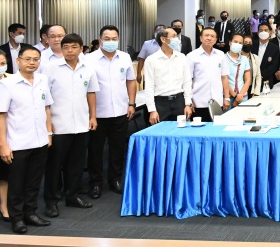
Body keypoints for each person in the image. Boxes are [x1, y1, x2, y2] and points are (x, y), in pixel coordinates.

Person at [41, 34, 97, 218]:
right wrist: (48, 125)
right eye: (66, 47)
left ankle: (72, 195)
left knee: (77, 164)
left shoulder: (88, 68)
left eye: (74, 47)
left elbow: (91, 93)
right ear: (61, 49)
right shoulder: (50, 68)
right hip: (58, 125)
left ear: (81, 48)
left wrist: (93, 116)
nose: (70, 50)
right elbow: (44, 99)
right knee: (54, 166)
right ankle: (51, 201)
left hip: (81, 124)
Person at [0, 46, 54, 234]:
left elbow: (47, 108)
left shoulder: (42, 80)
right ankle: (17, 218)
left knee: (34, 181)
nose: (32, 63)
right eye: (28, 59)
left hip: (39, 140)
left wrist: (49, 134)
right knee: (17, 183)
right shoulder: (8, 84)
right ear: (18, 61)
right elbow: (2, 116)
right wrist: (3, 145)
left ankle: (30, 213)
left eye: (36, 59)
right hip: (17, 143)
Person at [84, 25, 137, 200]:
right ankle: (96, 183)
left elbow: (131, 82)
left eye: (114, 39)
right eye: (107, 39)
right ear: (100, 41)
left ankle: (115, 180)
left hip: (121, 111)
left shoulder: (125, 57)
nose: (111, 42)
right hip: (97, 114)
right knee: (95, 150)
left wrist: (131, 103)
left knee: (117, 149)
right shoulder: (89, 59)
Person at [141, 28, 193, 124]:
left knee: (180, 132)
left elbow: (187, 82)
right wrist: (152, 110)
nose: (177, 39)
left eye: (177, 36)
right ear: (163, 39)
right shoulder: (151, 60)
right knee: (161, 133)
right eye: (173, 36)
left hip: (179, 101)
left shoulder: (182, 57)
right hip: (160, 103)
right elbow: (149, 86)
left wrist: (188, 104)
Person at [186, 27, 228, 122]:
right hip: (198, 102)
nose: (209, 38)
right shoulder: (191, 56)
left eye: (212, 36)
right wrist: (188, 101)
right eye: (206, 35)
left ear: (216, 40)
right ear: (201, 38)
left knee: (216, 131)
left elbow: (224, 77)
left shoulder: (221, 55)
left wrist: (227, 98)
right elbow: (187, 80)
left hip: (217, 101)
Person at [224, 34, 251, 108]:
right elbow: (223, 79)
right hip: (227, 96)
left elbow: (248, 79)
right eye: (235, 42)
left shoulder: (244, 59)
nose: (238, 44)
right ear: (230, 43)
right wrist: (235, 95)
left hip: (242, 96)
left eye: (240, 43)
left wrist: (240, 95)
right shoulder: (223, 58)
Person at [256, 24, 280, 91]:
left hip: (266, 82)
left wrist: (259, 76)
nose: (263, 32)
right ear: (258, 32)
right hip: (251, 82)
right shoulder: (252, 45)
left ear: (270, 32)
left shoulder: (274, 48)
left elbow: (274, 66)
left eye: (266, 30)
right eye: (261, 30)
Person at [0, 51, 8, 219]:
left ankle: (4, 206)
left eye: (2, 63)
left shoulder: (10, 80)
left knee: (4, 174)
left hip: (6, 133)